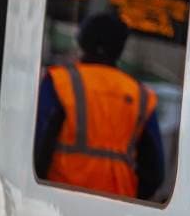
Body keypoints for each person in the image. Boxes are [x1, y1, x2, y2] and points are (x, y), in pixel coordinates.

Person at [35, 11, 165, 200]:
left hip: (60, 200)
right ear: (119, 49)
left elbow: (39, 146)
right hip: (117, 208)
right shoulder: (141, 96)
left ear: (82, 42)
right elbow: (155, 173)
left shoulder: (60, 83)